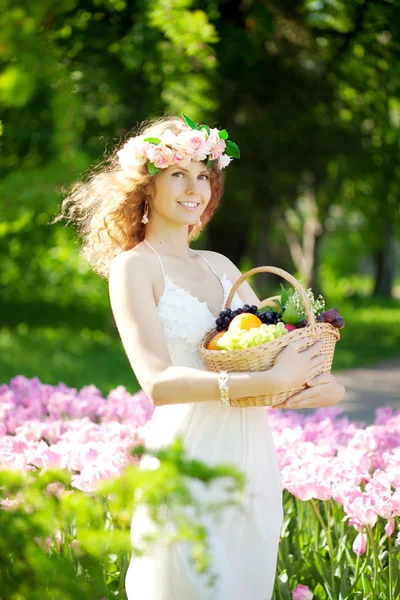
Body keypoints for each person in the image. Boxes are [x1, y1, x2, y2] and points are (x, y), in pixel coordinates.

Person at [55, 113, 345, 599]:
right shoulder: (135, 268)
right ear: (147, 185)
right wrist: (262, 385)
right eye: (178, 174)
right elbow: (159, 384)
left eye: (204, 176)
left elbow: (265, 355)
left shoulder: (221, 265)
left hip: (250, 455)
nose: (196, 188)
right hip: (188, 454)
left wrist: (320, 386)